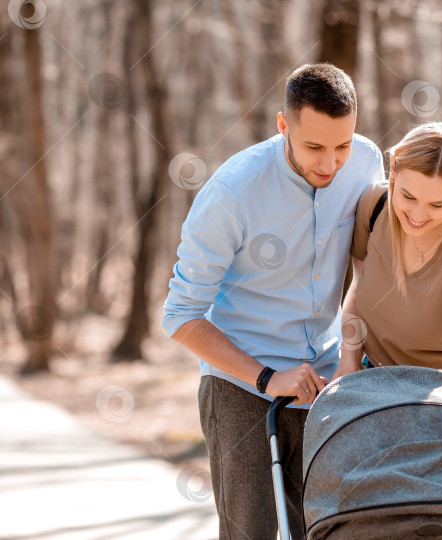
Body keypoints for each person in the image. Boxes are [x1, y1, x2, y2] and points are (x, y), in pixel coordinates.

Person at [161, 63, 384, 539]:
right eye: (314, 147)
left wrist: (349, 360)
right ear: (283, 126)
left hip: (326, 379)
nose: (330, 164)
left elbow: (366, 269)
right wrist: (267, 377)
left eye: (341, 145)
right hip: (241, 384)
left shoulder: (366, 162)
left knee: (327, 529)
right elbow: (180, 316)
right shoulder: (232, 193)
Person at [334, 121, 442, 436]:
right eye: (408, 196)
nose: (417, 215)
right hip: (383, 380)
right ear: (394, 168)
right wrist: (348, 362)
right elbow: (357, 291)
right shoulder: (373, 207)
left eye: (436, 205)